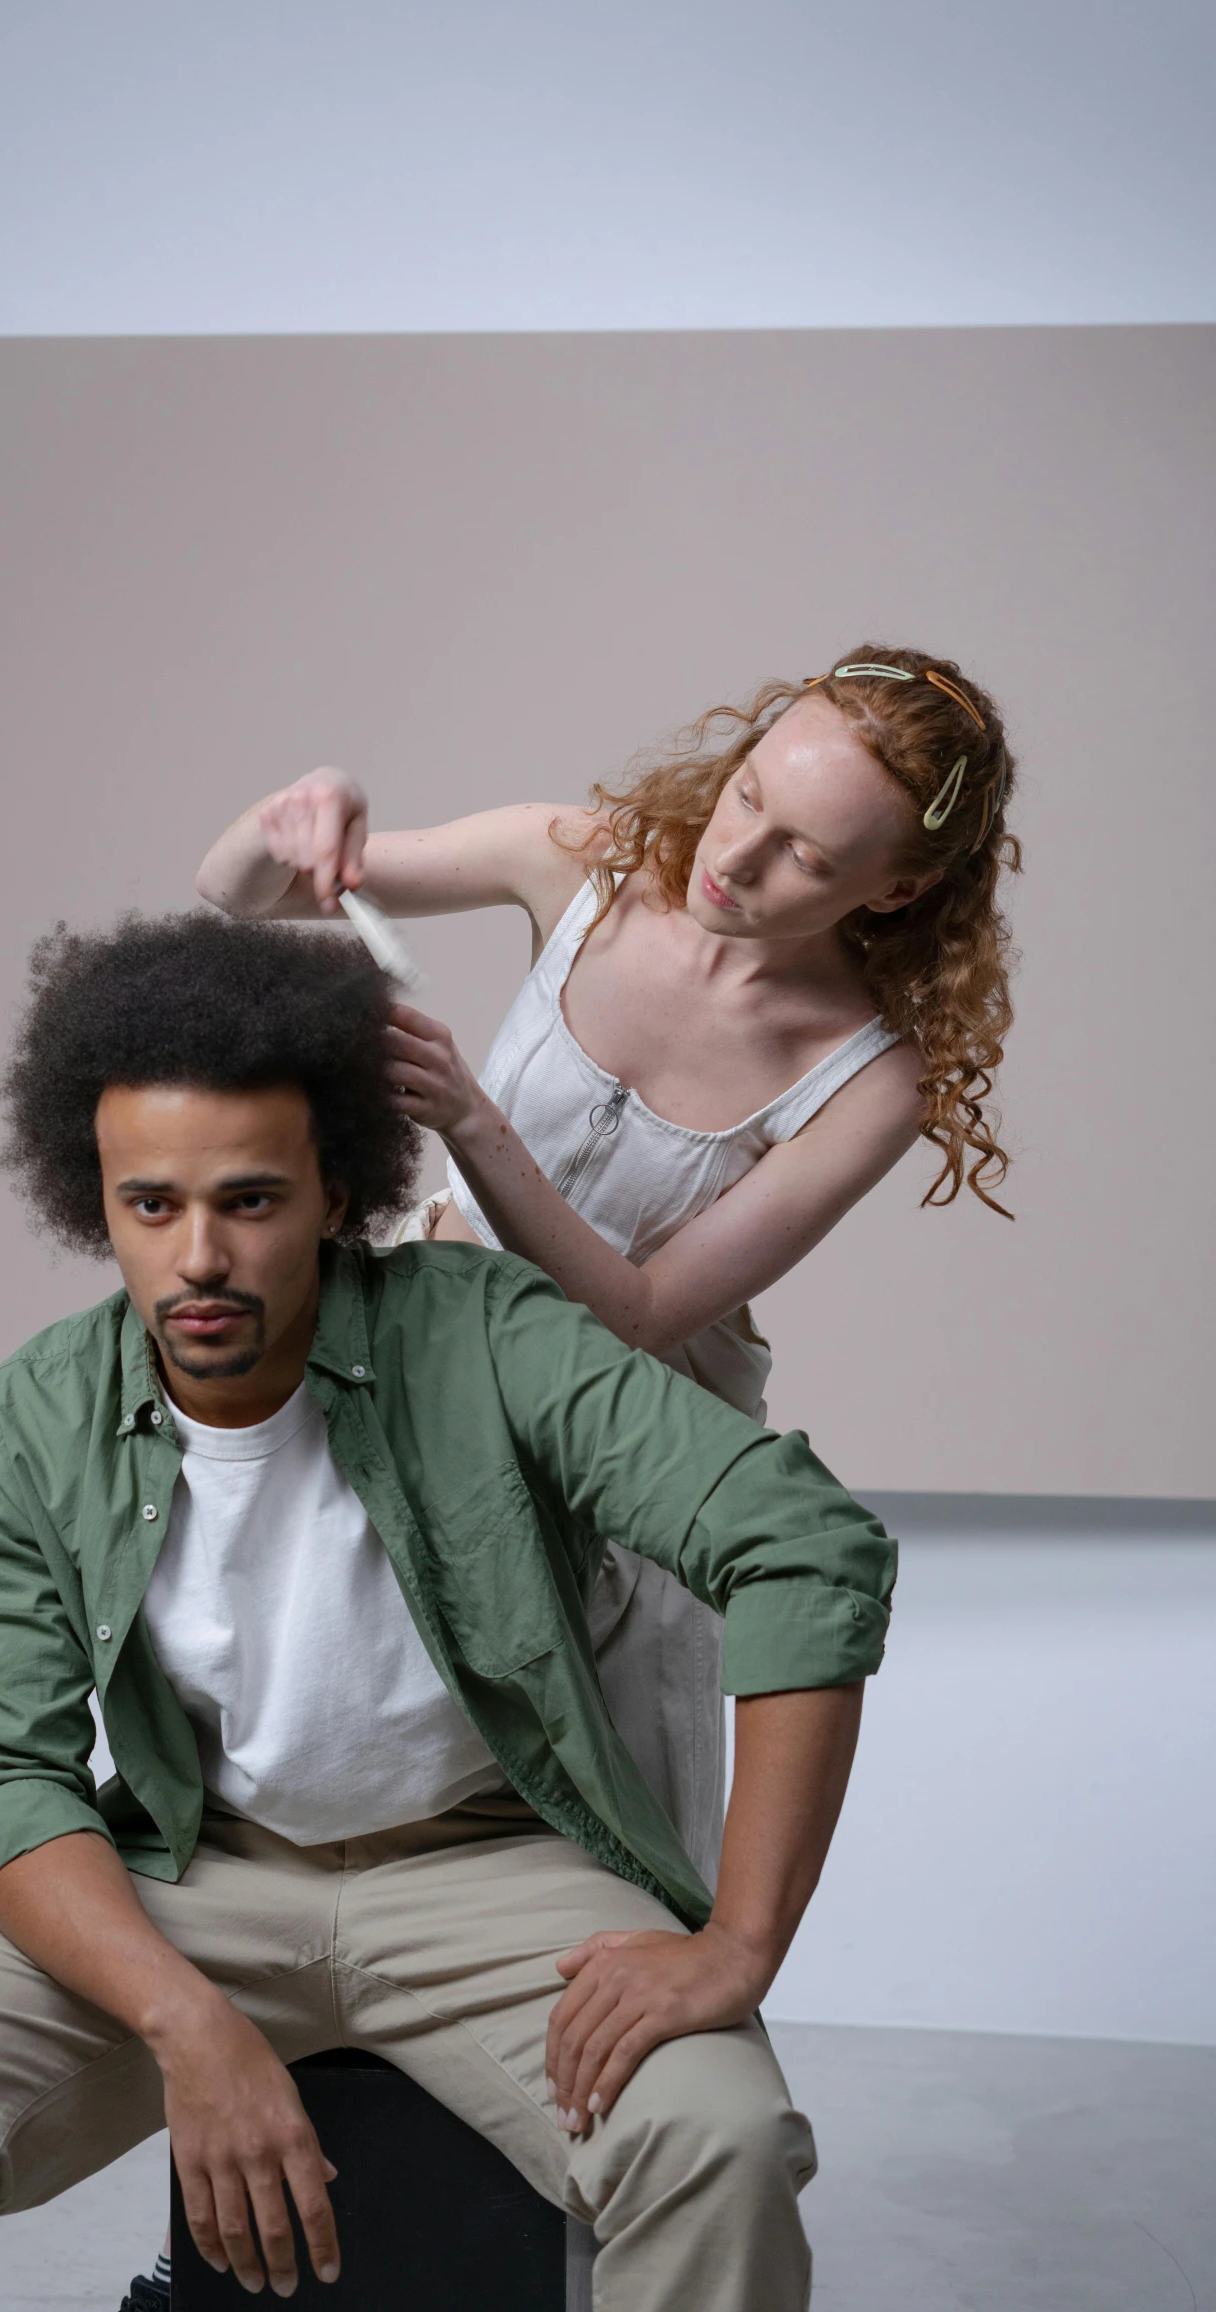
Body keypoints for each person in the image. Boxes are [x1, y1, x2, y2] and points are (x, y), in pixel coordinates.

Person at [0, 911, 895, 2312]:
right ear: (92, 1201)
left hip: (494, 1875)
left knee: (719, 2144)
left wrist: (740, 1937)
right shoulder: (32, 1416)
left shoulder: (483, 1331)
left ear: (333, 1190)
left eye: (248, 1198)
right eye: (150, 1205)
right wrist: (185, 2023)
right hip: (201, 1869)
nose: (199, 1258)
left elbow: (799, 1538)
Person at [196, 645, 1019, 1879]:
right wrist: (295, 811)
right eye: (748, 793)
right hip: (432, 1364)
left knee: (609, 1832)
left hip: (632, 1448)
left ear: (896, 891)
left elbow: (641, 1314)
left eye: (806, 851)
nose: (733, 858)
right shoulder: (580, 856)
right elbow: (241, 893)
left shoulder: (874, 1078)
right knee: (352, 1766)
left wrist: (474, 1123)